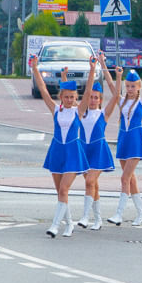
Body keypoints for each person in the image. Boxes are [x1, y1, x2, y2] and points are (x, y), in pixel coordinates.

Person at [31, 55, 95, 238]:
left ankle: (55, 225)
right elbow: (43, 90)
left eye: (72, 97)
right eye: (66, 97)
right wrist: (35, 68)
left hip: (73, 152)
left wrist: (91, 70)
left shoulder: (78, 111)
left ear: (76, 98)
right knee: (60, 191)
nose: (68, 100)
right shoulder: (55, 109)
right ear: (61, 97)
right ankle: (69, 224)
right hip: (57, 150)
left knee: (64, 189)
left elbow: (89, 90)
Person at [108, 49, 142, 227]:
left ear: (138, 88)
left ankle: (119, 214)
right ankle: (141, 212)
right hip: (123, 139)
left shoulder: (141, 102)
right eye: (128, 86)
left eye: (133, 86)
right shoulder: (121, 101)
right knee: (130, 178)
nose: (130, 89)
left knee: (124, 178)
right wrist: (105, 66)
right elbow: (112, 87)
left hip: (135, 140)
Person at [75, 52, 120, 230]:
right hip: (84, 150)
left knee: (89, 182)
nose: (92, 100)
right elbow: (85, 92)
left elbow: (116, 96)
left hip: (99, 151)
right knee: (93, 185)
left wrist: (117, 76)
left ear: (100, 100)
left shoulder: (103, 114)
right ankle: (98, 219)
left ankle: (85, 216)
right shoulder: (80, 113)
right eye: (91, 97)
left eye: (96, 98)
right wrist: (92, 69)